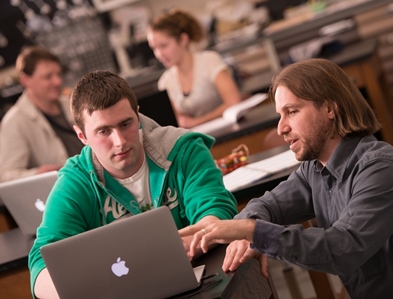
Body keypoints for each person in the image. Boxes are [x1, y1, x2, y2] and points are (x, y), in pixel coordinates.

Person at [180, 59, 393, 298]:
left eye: (292, 112)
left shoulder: (383, 170)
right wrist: (243, 231)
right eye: (280, 115)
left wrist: (252, 231)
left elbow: (343, 249)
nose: (281, 128)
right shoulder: (315, 169)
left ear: (330, 109)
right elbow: (269, 205)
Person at [28, 70, 238, 298]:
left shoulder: (184, 149)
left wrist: (192, 243)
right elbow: (41, 261)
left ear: (138, 116)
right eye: (104, 131)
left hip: (202, 284)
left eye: (126, 124)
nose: (119, 141)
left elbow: (216, 210)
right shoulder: (76, 182)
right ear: (82, 137)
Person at [0, 46, 83, 182]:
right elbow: (5, 177)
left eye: (59, 74)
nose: (57, 81)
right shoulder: (15, 122)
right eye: (48, 77)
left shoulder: (71, 103)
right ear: (25, 80)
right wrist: (39, 174)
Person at [147, 9, 241, 128]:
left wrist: (198, 122)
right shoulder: (165, 82)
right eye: (154, 48)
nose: (159, 54)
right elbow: (177, 122)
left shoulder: (209, 60)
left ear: (183, 39)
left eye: (164, 46)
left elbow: (233, 101)